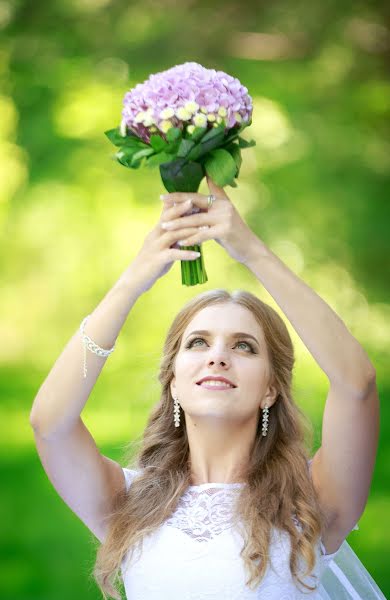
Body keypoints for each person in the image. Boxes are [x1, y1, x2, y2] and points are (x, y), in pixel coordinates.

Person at [29, 176, 385, 599]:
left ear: (271, 389)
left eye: (244, 347)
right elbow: (50, 423)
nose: (218, 356)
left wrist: (250, 250)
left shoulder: (312, 503)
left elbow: (356, 384)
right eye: (198, 343)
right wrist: (134, 279)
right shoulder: (126, 504)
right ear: (174, 383)